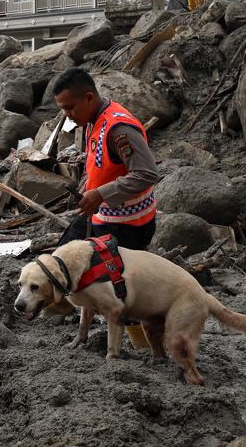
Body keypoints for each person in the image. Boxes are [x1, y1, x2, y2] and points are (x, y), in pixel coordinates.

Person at [52, 67, 160, 348]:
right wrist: (91, 187)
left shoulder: (120, 128)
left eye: (70, 108)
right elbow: (102, 164)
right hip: (103, 214)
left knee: (124, 289)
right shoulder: (92, 120)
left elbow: (147, 173)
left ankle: (143, 345)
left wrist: (101, 193)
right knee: (65, 259)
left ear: (88, 97)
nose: (67, 115)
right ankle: (68, 313)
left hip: (129, 224)